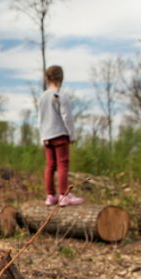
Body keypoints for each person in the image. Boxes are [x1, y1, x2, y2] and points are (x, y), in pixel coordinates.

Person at [39, 65, 83, 207]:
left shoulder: (42, 97)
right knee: (63, 164)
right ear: (61, 79)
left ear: (47, 79)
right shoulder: (61, 95)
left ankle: (50, 195)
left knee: (50, 165)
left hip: (47, 135)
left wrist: (42, 136)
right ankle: (64, 195)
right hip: (60, 134)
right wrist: (71, 134)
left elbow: (40, 119)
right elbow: (67, 117)